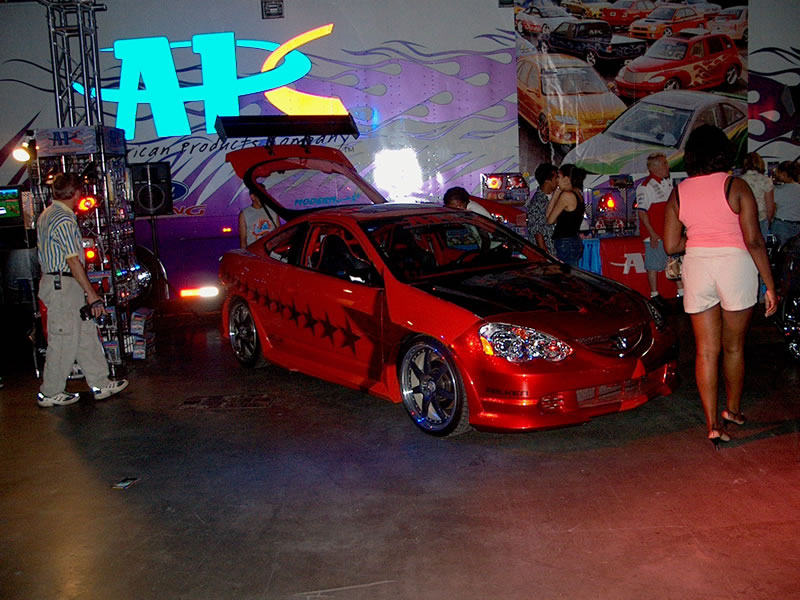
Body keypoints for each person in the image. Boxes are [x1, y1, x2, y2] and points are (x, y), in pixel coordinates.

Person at [663, 125, 777, 449]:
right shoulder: (735, 186)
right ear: (723, 152)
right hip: (735, 266)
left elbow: (671, 244)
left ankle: (713, 425)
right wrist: (770, 285)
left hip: (698, 267)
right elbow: (753, 240)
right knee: (734, 347)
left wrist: (698, 237)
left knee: (705, 350)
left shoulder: (679, 192)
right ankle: (733, 410)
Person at [36, 173, 128, 407]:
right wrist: (91, 293)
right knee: (63, 338)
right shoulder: (63, 219)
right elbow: (73, 260)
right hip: (63, 284)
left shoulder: (48, 214)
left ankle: (100, 382)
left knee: (85, 333)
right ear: (77, 193)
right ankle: (50, 392)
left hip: (61, 283)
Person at [636, 152, 683, 299]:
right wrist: (652, 233)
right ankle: (654, 295)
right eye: (664, 164)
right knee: (653, 265)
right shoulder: (645, 186)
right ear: (654, 168)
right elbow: (642, 212)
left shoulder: (667, 183)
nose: (668, 166)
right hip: (655, 234)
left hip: (670, 232)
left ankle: (681, 293)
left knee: (674, 261)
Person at [546, 164, 585, 266]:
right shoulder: (577, 193)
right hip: (573, 240)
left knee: (566, 274)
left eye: (559, 177)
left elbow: (549, 219)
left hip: (565, 243)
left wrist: (556, 193)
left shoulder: (566, 196)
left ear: (566, 179)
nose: (557, 180)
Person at [740, 152, 776, 241]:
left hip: (745, 219)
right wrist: (769, 221)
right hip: (761, 218)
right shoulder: (766, 180)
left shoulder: (740, 180)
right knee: (761, 244)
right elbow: (770, 205)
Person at [526, 163, 558, 255]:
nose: (558, 181)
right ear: (548, 180)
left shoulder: (553, 198)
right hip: (548, 251)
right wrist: (546, 255)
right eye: (556, 177)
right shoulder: (538, 202)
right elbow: (538, 232)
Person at [771, 160, 800, 248]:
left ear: (784, 174)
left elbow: (772, 207)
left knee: (782, 251)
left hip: (781, 224)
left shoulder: (777, 190)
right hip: (798, 225)